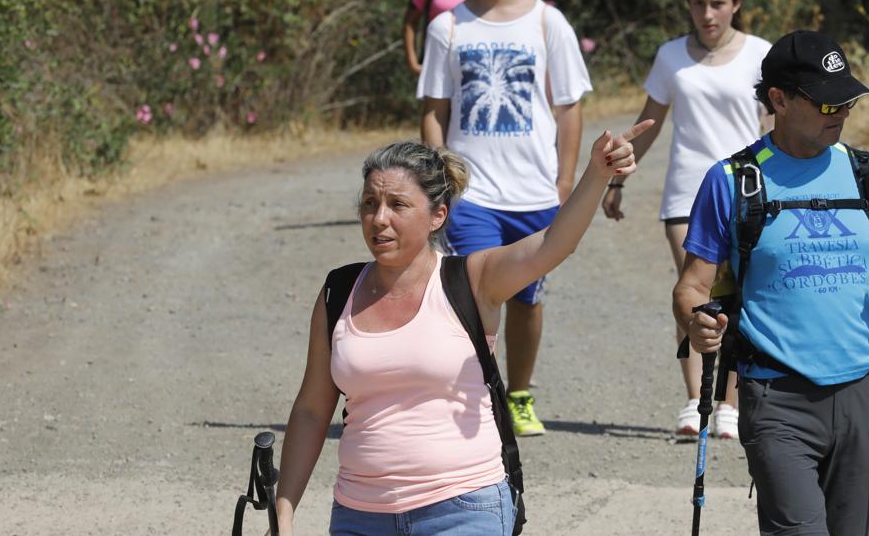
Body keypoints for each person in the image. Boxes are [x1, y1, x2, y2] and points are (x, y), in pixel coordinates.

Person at [274, 123, 651, 535]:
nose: (378, 219)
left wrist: (597, 173)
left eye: (397, 205)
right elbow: (312, 410)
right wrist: (284, 510)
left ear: (438, 215)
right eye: (369, 202)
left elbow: (554, 244)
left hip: (463, 508)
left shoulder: (472, 280)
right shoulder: (339, 291)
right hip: (358, 515)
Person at [673, 30, 869, 535]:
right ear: (779, 100)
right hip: (774, 397)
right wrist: (699, 323)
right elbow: (691, 287)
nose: (841, 113)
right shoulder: (733, 180)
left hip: (861, 395)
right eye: (827, 103)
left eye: (847, 100)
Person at [418, 0, 593, 437]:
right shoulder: (447, 25)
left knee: (526, 299)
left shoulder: (548, 22)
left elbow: (570, 108)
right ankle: (472, 395)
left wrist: (563, 183)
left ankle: (518, 394)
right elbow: (434, 109)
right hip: (472, 193)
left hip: (534, 192)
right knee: (469, 297)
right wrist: (442, 180)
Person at [600, 0, 771, 439]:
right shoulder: (671, 56)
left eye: (718, 4)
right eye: (699, 4)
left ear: (736, 4)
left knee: (735, 295)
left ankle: (730, 404)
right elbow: (648, 123)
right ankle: (696, 399)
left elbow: (782, 125)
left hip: (745, 188)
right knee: (691, 293)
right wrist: (617, 179)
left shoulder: (762, 54)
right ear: (688, 6)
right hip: (687, 191)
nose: (709, 14)